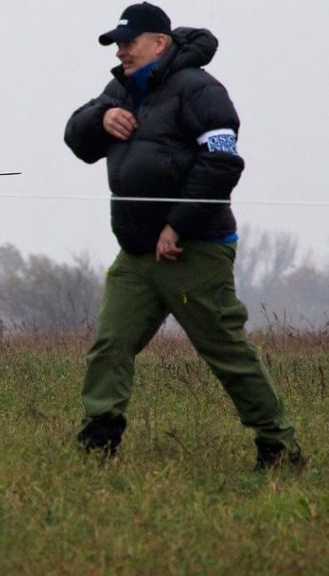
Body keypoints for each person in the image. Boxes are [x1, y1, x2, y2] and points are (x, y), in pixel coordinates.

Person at [64, 3, 305, 470]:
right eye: (117, 44)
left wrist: (178, 225)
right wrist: (100, 120)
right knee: (110, 346)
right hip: (136, 252)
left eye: (128, 43)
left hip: (194, 250)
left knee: (226, 353)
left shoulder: (200, 89)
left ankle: (279, 446)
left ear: (159, 42)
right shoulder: (120, 89)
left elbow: (223, 162)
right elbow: (77, 140)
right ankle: (98, 443)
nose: (121, 51)